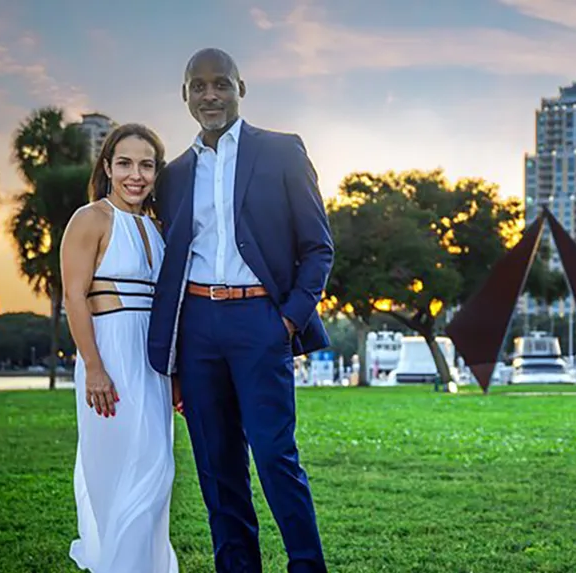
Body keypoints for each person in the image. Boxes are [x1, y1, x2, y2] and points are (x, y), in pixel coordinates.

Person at [147, 48, 334, 572]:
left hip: (261, 322)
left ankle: (306, 566)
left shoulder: (281, 152)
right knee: (216, 466)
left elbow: (318, 246)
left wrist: (290, 318)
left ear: (240, 89)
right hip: (198, 328)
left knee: (275, 456)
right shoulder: (175, 174)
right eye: (199, 86)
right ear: (184, 95)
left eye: (221, 84)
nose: (211, 95)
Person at [61, 123, 180, 572]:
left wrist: (174, 372)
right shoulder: (90, 218)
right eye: (125, 163)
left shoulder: (157, 225)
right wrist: (94, 367)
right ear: (108, 166)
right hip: (108, 355)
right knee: (120, 477)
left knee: (158, 473)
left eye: (146, 165)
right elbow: (74, 296)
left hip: (152, 361)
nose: (136, 175)